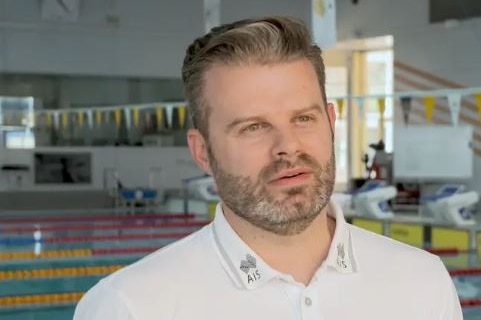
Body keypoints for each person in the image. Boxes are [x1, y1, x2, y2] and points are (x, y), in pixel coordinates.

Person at [73, 16, 463, 320]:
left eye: (304, 119)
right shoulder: (130, 308)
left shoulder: (422, 282)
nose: (287, 146)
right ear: (202, 150)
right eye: (254, 127)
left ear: (330, 121)